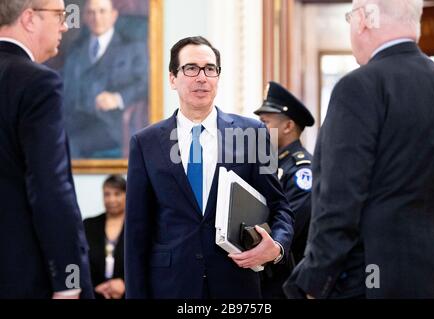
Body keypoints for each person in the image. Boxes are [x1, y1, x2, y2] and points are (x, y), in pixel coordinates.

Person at [284, 0, 434, 299]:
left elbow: (339, 200)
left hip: (370, 281)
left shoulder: (359, 87)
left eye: (350, 17)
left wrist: (313, 284)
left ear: (364, 19)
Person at [125, 36, 294, 299]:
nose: (201, 77)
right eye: (191, 68)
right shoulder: (145, 143)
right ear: (173, 78)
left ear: (217, 77)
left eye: (210, 69)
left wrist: (278, 247)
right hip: (171, 286)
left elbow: (280, 206)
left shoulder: (254, 133)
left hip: (236, 285)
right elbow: (136, 232)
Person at [0, 0, 93, 299]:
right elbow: (49, 185)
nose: (66, 25)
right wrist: (69, 279)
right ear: (29, 18)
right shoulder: (37, 82)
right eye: (59, 15)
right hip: (26, 275)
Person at [62, 0, 148, 158]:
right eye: (91, 12)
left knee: (70, 143)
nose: (97, 17)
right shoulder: (76, 51)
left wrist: (118, 97)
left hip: (110, 124)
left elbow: (145, 83)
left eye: (102, 11)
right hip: (75, 119)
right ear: (85, 18)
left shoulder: (132, 48)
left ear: (113, 15)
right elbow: (66, 88)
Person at [254, 81, 315, 298]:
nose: (260, 128)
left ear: (288, 126)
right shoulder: (273, 164)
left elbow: (289, 226)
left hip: (286, 279)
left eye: (265, 122)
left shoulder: (301, 171)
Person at [84, 175, 126, 299]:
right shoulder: (88, 225)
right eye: (107, 194)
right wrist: (90, 287)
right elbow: (78, 262)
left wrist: (125, 284)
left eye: (117, 194)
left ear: (126, 195)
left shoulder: (137, 227)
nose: (111, 199)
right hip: (94, 294)